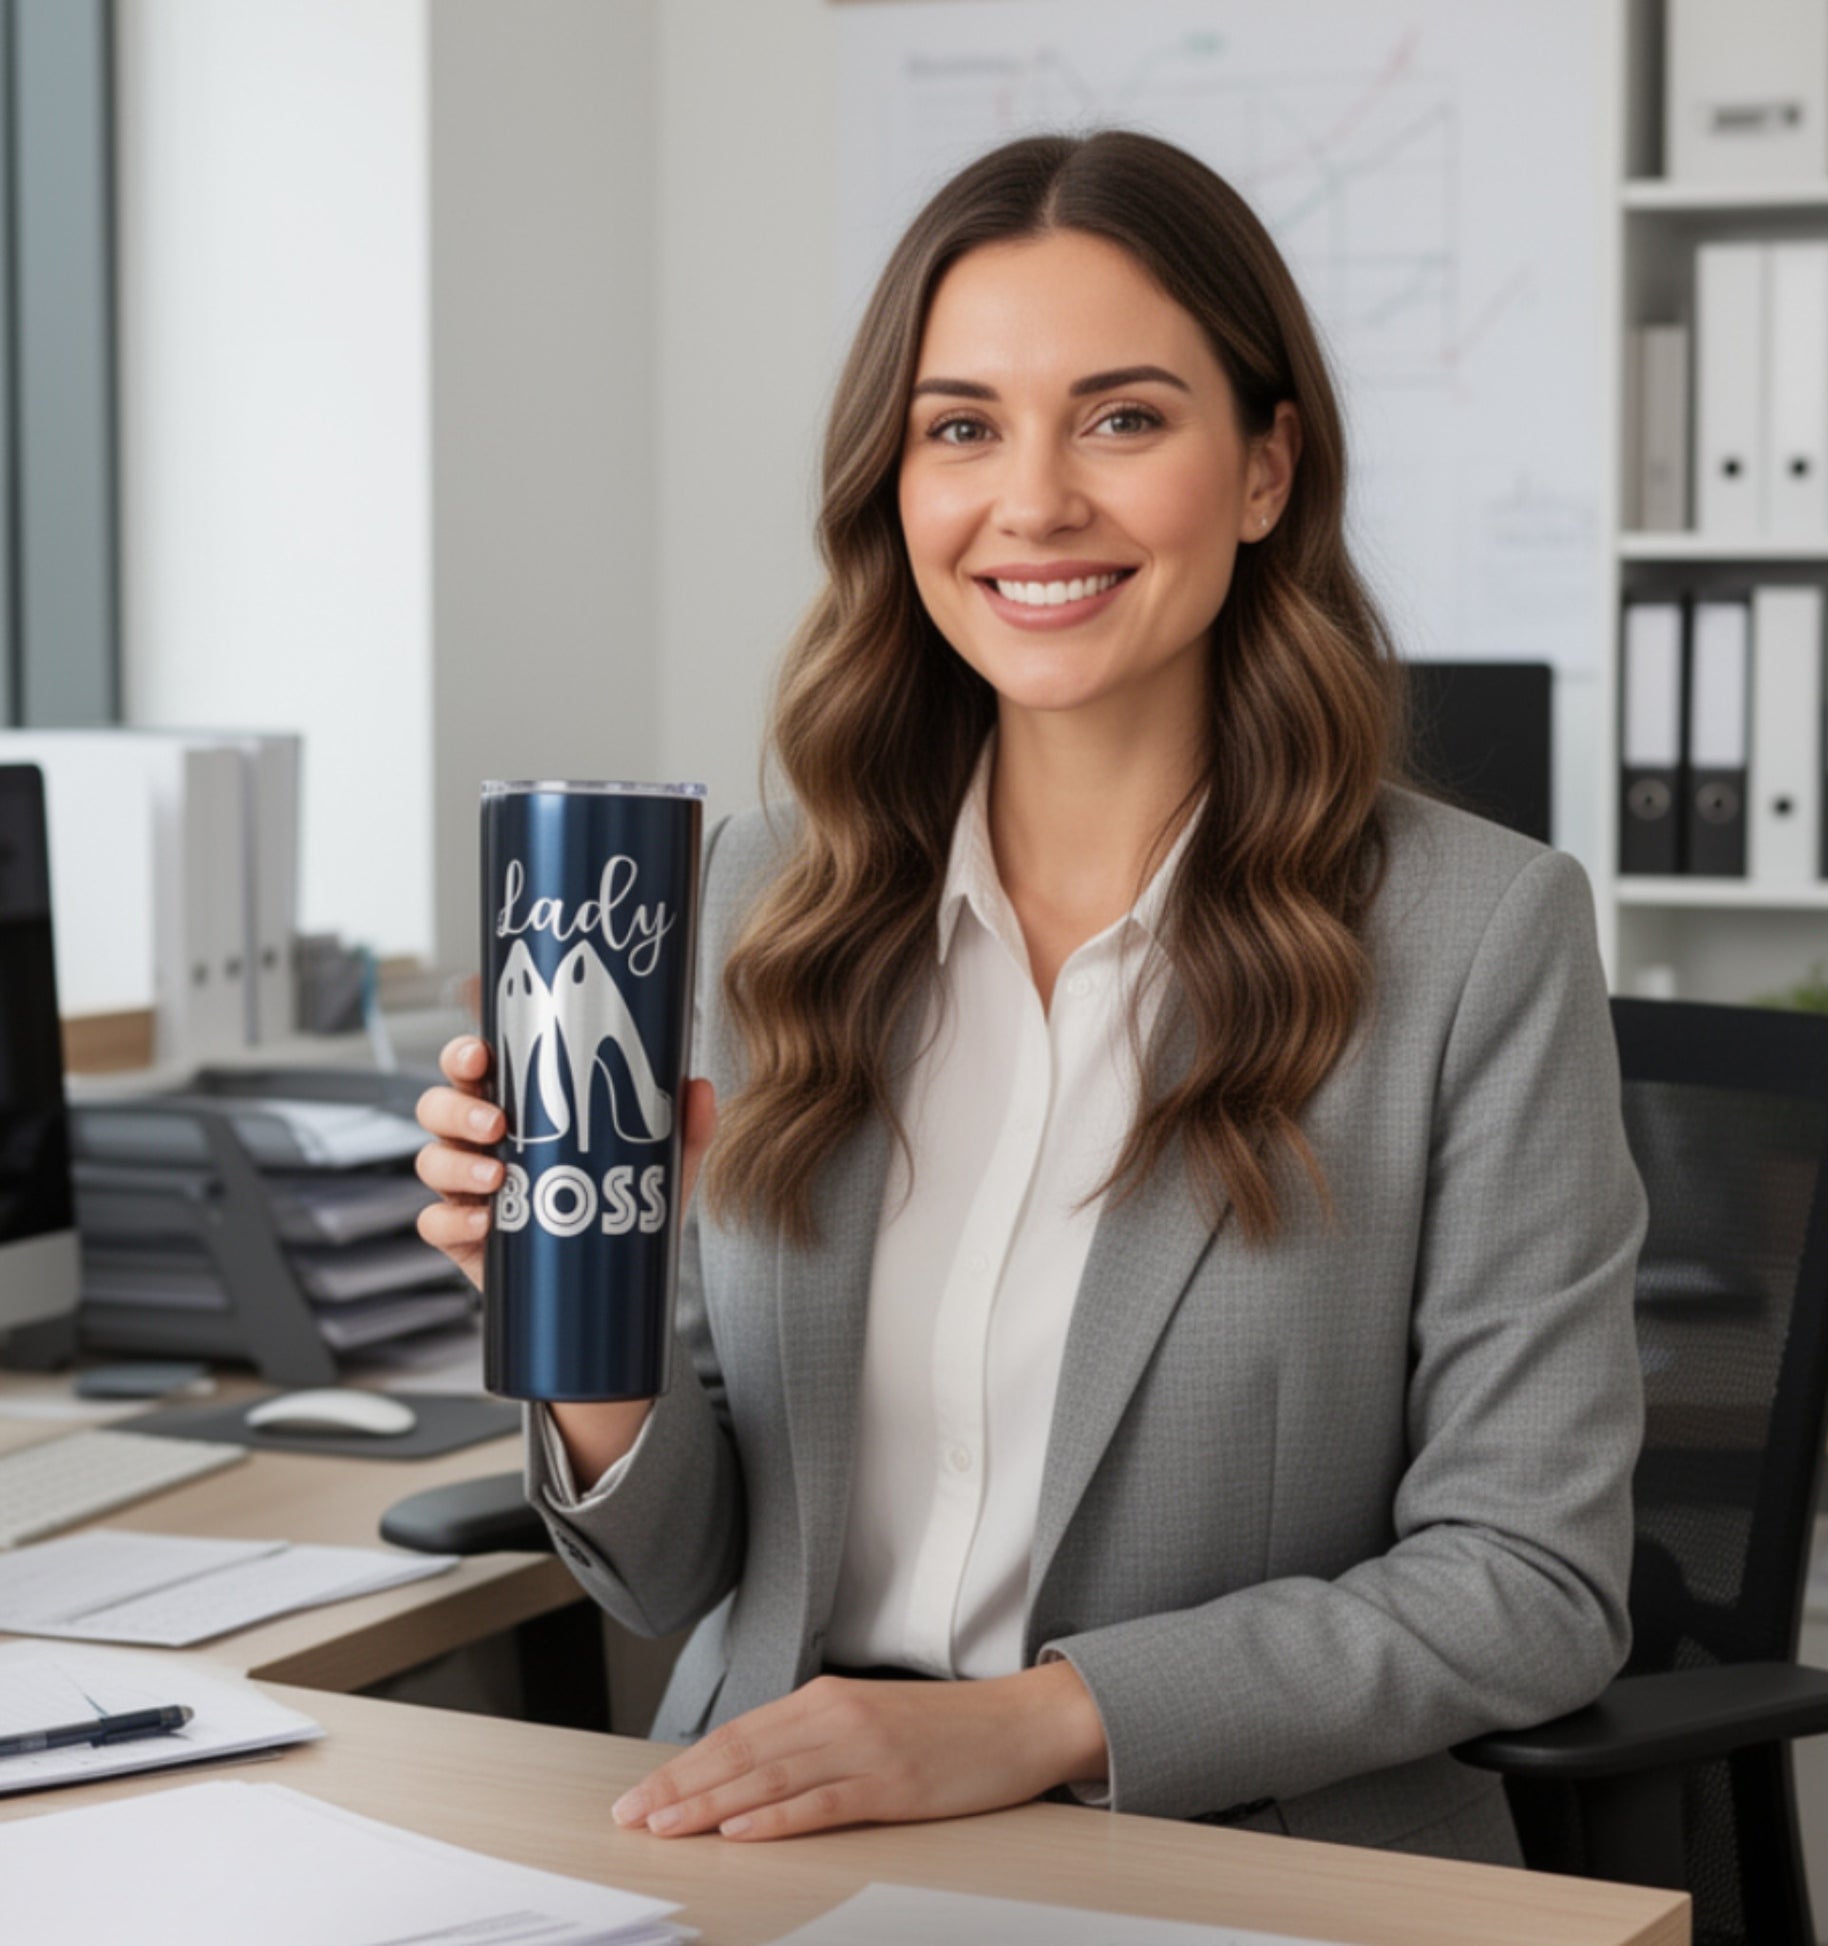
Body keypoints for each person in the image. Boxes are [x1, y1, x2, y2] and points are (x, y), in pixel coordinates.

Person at [414, 130, 1645, 1865]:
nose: (1035, 500)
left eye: (1124, 418)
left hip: (1234, 1848)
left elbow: (1530, 1582)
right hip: (768, 1825)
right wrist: (567, 1311)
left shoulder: (1476, 934)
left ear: (1266, 467)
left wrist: (1024, 1722)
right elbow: (685, 1571)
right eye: (962, 425)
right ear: (895, 484)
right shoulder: (772, 899)